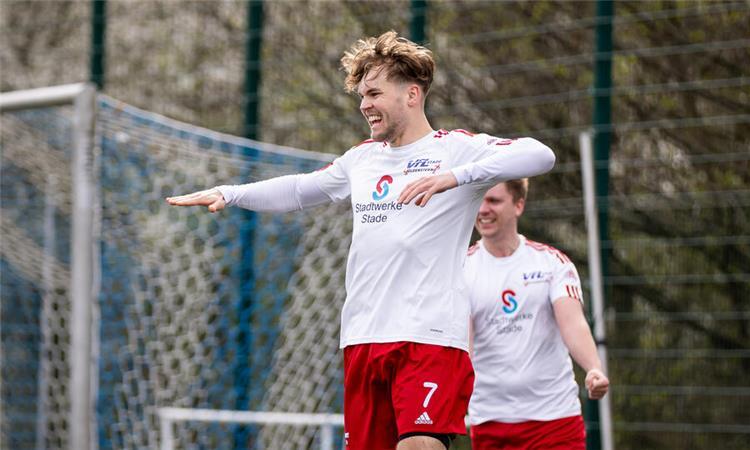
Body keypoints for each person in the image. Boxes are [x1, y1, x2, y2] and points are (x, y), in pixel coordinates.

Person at [167, 31, 556, 450]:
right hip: (363, 336)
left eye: (373, 93)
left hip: (428, 335)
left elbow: (540, 154)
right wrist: (231, 193)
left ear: (411, 94)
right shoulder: (362, 159)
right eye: (360, 95)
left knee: (419, 444)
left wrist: (453, 178)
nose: (364, 105)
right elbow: (300, 190)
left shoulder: (457, 150)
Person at [464, 178, 610, 450]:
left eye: (494, 201)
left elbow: (574, 325)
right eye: (478, 201)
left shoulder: (551, 263)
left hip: (555, 420)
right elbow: (463, 348)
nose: (483, 210)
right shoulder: (461, 270)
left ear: (518, 205)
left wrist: (593, 368)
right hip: (491, 422)